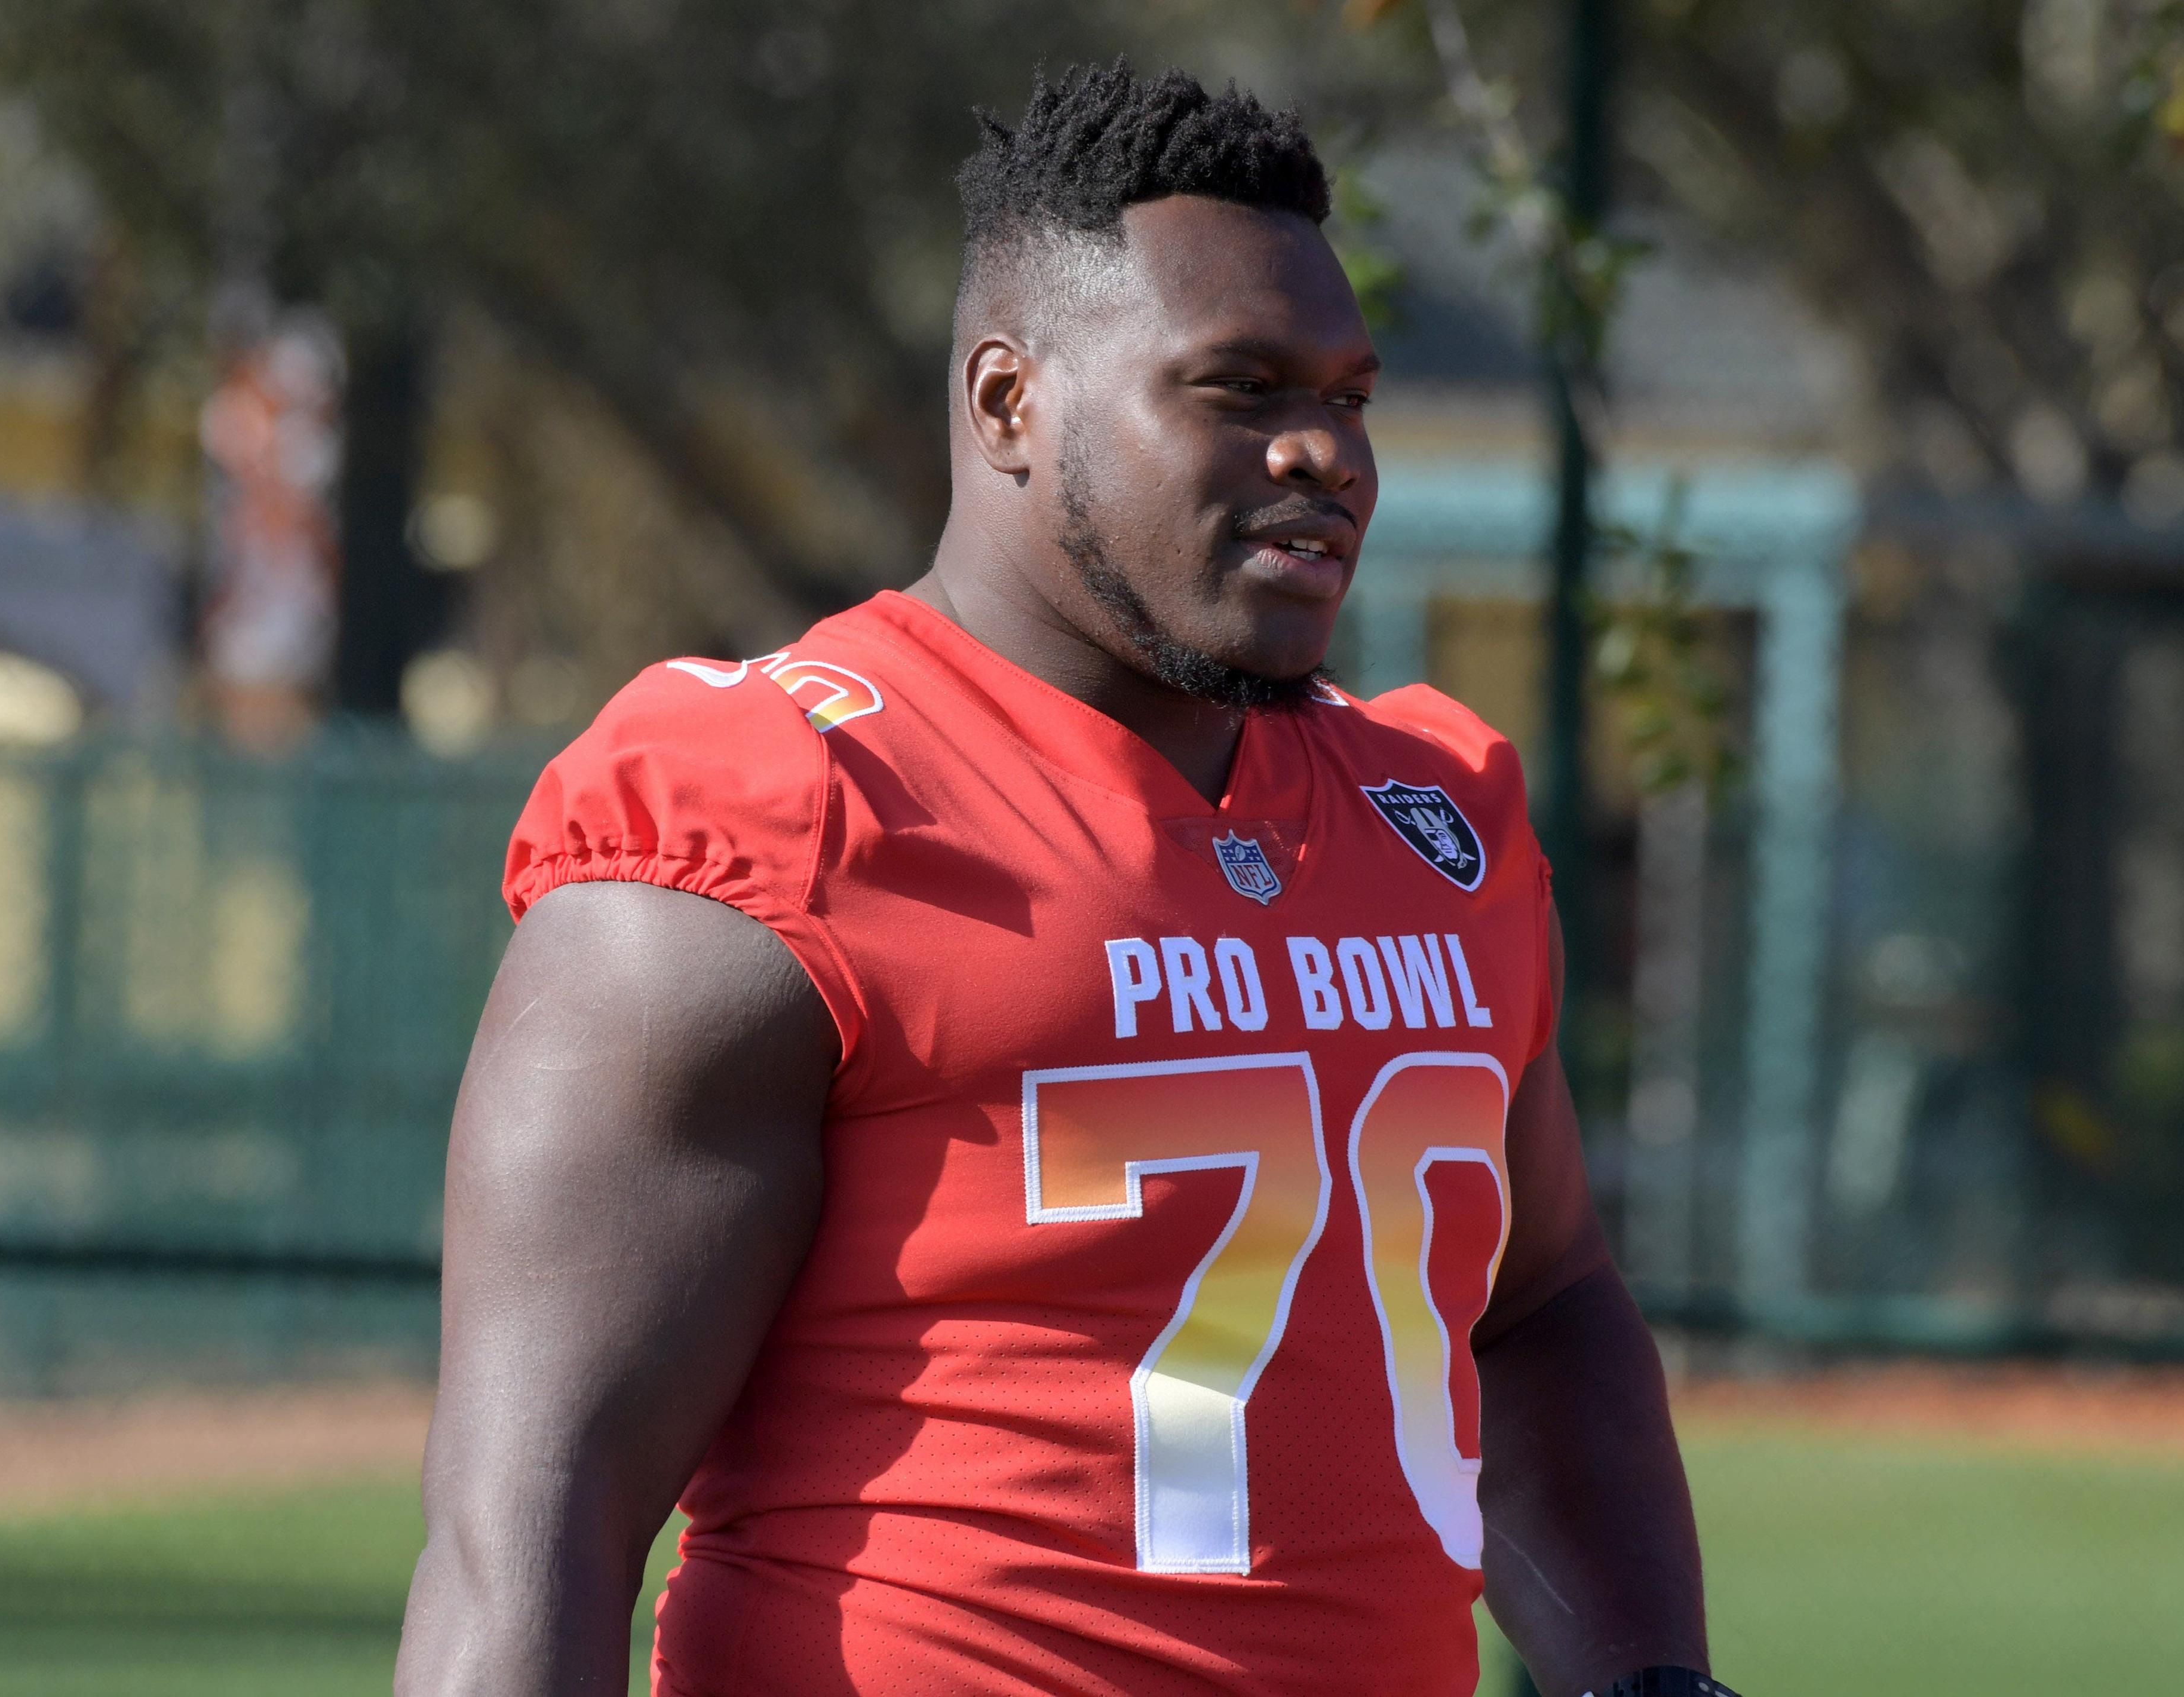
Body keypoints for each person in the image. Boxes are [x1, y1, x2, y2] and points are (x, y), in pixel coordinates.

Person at [396, 62, 1723, 1697]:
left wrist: (1653, 1677)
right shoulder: (781, 808)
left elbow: (1538, 1304)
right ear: (1009, 404)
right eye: (1240, 388)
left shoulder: (1433, 811)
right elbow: (531, 1529)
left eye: (1351, 395)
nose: (1324, 450)